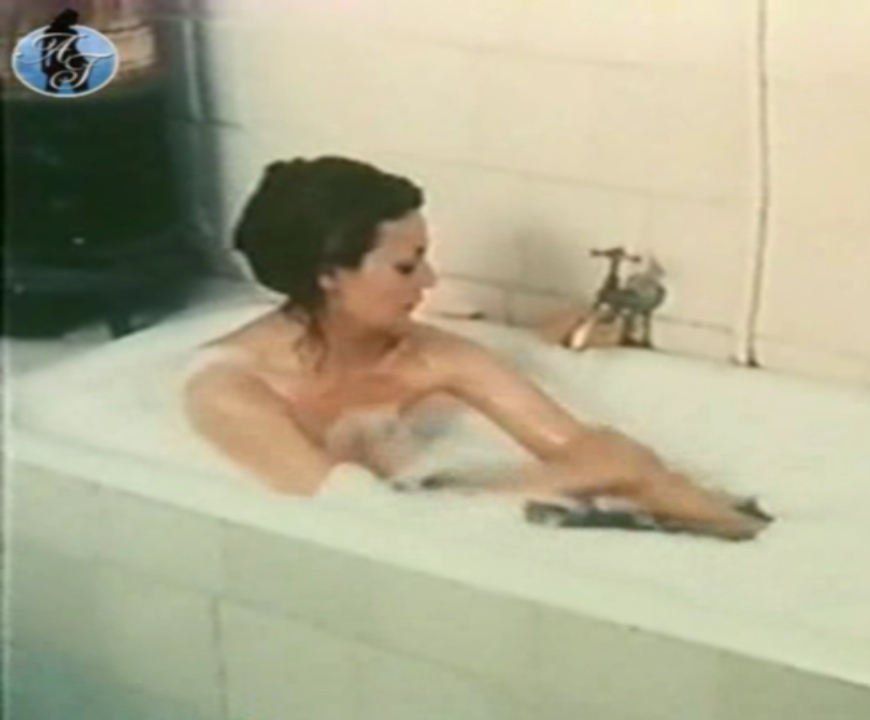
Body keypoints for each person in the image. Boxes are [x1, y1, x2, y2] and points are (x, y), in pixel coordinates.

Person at [182, 156, 769, 541]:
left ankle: (753, 539)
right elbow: (351, 521)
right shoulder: (232, 388)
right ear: (329, 275)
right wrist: (543, 486)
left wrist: (702, 510)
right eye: (406, 266)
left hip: (427, 526)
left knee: (643, 476)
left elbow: (589, 447)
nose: (429, 281)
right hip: (339, 577)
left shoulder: (432, 356)